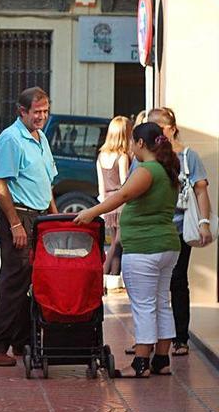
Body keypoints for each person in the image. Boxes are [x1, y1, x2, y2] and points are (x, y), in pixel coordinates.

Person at [74, 122, 181, 377]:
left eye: (134, 142)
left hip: (144, 247)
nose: (131, 147)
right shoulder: (167, 170)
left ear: (141, 144)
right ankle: (161, 360)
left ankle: (141, 363)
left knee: (144, 305)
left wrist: (91, 212)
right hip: (166, 245)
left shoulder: (147, 170)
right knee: (161, 303)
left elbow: (121, 196)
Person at [0, 87, 57, 367]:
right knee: (14, 282)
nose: (42, 117)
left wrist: (55, 218)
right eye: (36, 112)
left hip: (40, 217)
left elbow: (47, 183)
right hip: (19, 217)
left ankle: (22, 340)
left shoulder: (42, 138)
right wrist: (15, 224)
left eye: (45, 111)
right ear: (21, 111)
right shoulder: (11, 138)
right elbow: (0, 185)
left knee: (33, 281)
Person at [148, 107, 213, 356]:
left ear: (172, 128)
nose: (155, 133)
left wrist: (204, 222)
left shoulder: (188, 156)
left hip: (178, 228)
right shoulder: (148, 155)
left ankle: (180, 337)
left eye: (159, 127)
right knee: (150, 284)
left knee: (177, 280)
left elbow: (200, 189)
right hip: (154, 227)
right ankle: (148, 339)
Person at [98, 116, 132, 279]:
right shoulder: (123, 156)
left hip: (108, 203)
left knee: (115, 243)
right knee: (118, 244)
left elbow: (101, 187)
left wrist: (103, 207)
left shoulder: (101, 155)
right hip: (121, 204)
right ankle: (102, 276)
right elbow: (125, 183)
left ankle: (113, 278)